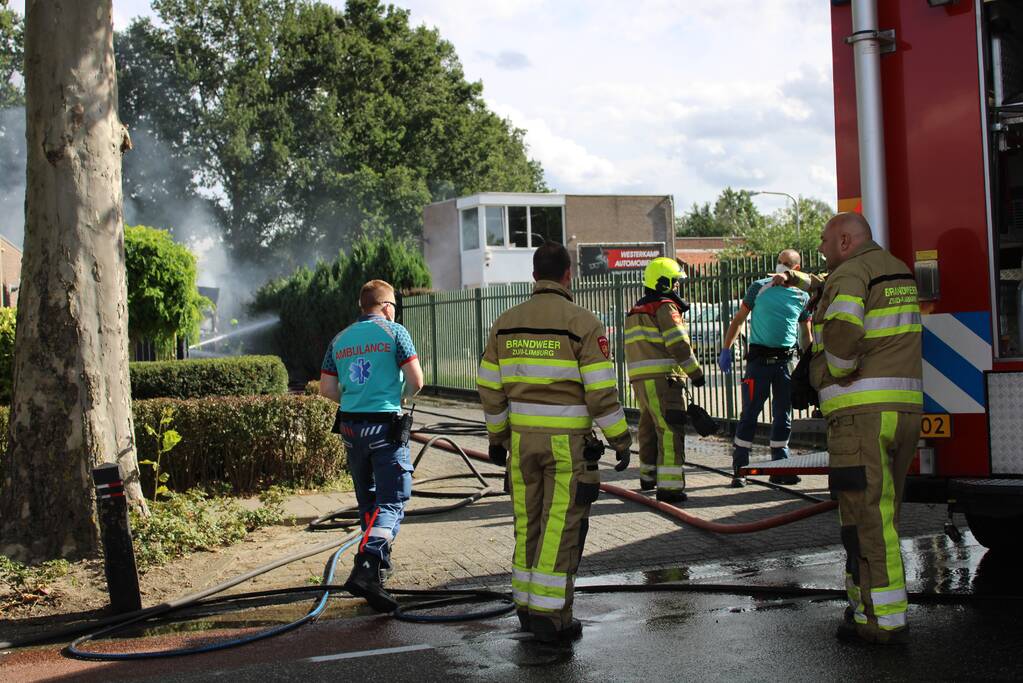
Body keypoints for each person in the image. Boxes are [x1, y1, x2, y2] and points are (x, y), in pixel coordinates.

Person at [477, 242, 632, 644]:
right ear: (568, 275)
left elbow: (490, 388)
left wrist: (498, 438)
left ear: (534, 276)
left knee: (526, 523)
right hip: (567, 448)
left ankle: (527, 608)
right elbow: (601, 393)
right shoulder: (583, 323)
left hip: (521, 446)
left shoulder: (505, 323)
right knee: (560, 527)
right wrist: (620, 439)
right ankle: (551, 618)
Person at [778, 213, 922, 645]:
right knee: (883, 516)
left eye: (824, 241)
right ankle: (868, 607)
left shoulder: (852, 274)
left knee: (863, 520)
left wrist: (828, 373)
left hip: (860, 415)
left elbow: (841, 336)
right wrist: (801, 282)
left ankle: (882, 622)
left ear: (845, 239)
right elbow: (834, 290)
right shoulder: (893, 269)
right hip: (902, 411)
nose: (821, 249)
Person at [320, 279, 425, 613]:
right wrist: (401, 397)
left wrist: (355, 398)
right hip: (384, 425)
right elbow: (417, 380)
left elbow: (326, 388)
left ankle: (377, 571)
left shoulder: (339, 338)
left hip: (351, 426)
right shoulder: (396, 333)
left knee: (368, 500)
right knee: (392, 500)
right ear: (387, 306)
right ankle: (367, 565)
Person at [719, 249, 812, 488]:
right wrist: (726, 348)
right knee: (750, 414)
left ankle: (780, 467)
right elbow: (739, 319)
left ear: (796, 270)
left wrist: (809, 360)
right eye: (779, 262)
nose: (781, 267)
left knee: (783, 416)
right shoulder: (759, 287)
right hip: (758, 363)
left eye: (787, 264)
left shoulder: (801, 296)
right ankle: (740, 468)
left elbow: (805, 331)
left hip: (785, 363)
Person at [624, 257, 705, 503]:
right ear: (663, 283)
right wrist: (696, 373)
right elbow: (678, 343)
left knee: (648, 428)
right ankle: (670, 488)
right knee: (670, 429)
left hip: (640, 380)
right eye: (675, 281)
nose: (678, 286)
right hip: (664, 380)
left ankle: (648, 477)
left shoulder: (636, 309)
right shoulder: (665, 307)